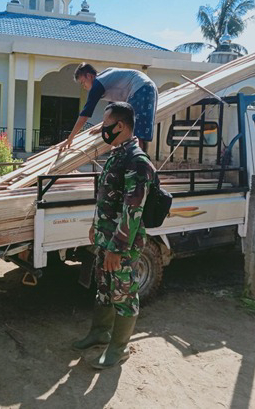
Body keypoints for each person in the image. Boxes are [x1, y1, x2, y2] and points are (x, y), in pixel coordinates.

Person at [72, 102, 155, 369]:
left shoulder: (136, 161)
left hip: (122, 245)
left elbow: (133, 210)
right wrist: (96, 227)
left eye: (106, 126)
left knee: (124, 295)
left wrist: (117, 249)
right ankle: (100, 333)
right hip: (106, 239)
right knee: (105, 290)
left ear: (120, 126)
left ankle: (119, 348)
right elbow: (107, 199)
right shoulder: (118, 154)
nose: (102, 130)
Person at [59, 63, 158, 152]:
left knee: (133, 131)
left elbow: (85, 115)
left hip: (141, 89)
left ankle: (136, 163)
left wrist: (70, 139)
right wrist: (102, 127)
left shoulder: (97, 84)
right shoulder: (106, 80)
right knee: (137, 130)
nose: (83, 86)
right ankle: (138, 160)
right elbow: (113, 110)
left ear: (89, 76)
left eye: (83, 82)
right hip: (148, 87)